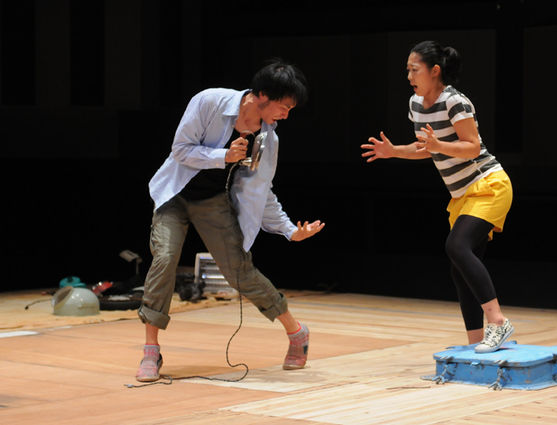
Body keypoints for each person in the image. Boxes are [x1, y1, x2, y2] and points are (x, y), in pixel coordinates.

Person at [136, 60, 325, 382]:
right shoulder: (209, 101)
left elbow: (261, 190)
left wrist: (289, 230)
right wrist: (222, 156)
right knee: (165, 258)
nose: (285, 115)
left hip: (212, 202)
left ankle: (297, 333)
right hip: (174, 194)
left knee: (239, 271)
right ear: (262, 95)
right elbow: (180, 150)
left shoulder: (268, 139)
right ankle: (151, 351)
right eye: (283, 106)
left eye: (290, 109)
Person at [361, 41, 514, 353]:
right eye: (407, 70)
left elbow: (472, 146)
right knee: (459, 268)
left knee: (457, 246)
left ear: (434, 71)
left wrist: (438, 146)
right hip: (462, 195)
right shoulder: (416, 104)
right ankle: (475, 343)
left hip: (488, 184)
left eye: (414, 70)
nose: (409, 76)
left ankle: (498, 323)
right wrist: (393, 151)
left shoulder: (455, 101)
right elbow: (425, 149)